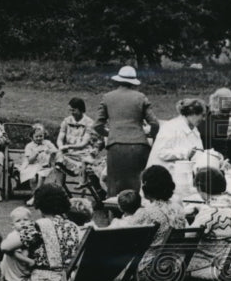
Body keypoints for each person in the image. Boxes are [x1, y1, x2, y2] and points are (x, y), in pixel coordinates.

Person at [94, 65, 159, 195]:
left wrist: (110, 133)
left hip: (116, 145)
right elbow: (154, 123)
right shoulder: (141, 97)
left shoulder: (107, 97)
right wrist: (151, 135)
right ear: (133, 82)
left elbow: (97, 125)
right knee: (137, 183)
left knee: (114, 183)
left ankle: (113, 213)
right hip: (138, 145)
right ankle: (137, 212)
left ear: (118, 80)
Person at [128, 165, 187, 278]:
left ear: (146, 186)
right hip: (174, 262)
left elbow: (126, 236)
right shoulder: (178, 207)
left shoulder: (146, 212)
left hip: (150, 264)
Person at [187, 166, 231, 281]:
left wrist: (183, 219)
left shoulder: (208, 211)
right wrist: (200, 208)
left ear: (200, 187)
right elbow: (219, 213)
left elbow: (187, 236)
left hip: (213, 266)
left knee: (168, 262)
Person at [146, 98, 206, 170]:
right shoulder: (170, 127)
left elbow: (199, 151)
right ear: (192, 113)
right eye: (202, 115)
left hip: (182, 172)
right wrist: (185, 153)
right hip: (161, 172)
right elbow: (162, 152)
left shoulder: (194, 130)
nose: (204, 119)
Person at [55, 98, 94, 177]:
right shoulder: (67, 121)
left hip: (83, 151)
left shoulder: (89, 122)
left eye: (73, 110)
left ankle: (76, 170)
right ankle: (60, 186)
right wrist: (60, 146)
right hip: (68, 151)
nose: (71, 113)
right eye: (70, 110)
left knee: (87, 164)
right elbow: (60, 137)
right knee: (58, 160)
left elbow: (83, 143)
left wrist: (68, 146)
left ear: (81, 109)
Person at [0, 206, 35, 281]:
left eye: (25, 220)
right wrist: (29, 261)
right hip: (15, 262)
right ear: (13, 225)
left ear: (31, 222)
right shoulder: (14, 236)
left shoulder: (29, 234)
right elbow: (15, 254)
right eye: (18, 221)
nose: (22, 222)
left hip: (21, 260)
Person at [16, 124, 58, 188]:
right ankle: (34, 193)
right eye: (36, 136)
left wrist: (50, 151)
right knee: (33, 178)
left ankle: (37, 194)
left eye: (41, 136)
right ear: (32, 137)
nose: (39, 138)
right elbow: (29, 161)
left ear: (44, 135)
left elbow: (55, 150)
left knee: (42, 175)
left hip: (45, 165)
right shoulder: (29, 146)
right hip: (32, 165)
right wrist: (35, 154)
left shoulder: (47, 143)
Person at [200, 87, 231, 153]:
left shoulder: (222, 116)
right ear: (216, 103)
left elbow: (222, 141)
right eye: (224, 111)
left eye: (229, 111)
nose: (226, 114)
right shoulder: (202, 115)